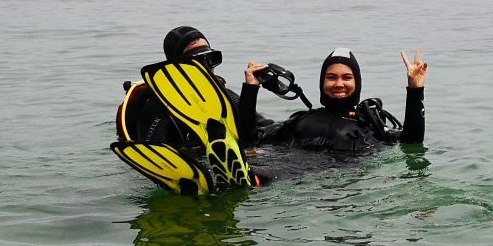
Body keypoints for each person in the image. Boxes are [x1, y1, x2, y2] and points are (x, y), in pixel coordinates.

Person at [117, 25, 273, 147]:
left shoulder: (224, 95)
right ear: (176, 67)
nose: (206, 67)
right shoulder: (159, 108)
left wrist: (250, 89)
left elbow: (253, 133)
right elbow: (160, 157)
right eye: (197, 62)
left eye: (210, 58)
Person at [248, 47, 427, 152]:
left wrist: (415, 89)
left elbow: (412, 140)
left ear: (357, 82)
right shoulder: (301, 121)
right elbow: (251, 137)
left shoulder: (370, 127)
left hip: (338, 185)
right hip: (289, 173)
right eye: (332, 77)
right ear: (322, 82)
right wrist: (251, 88)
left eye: (347, 77)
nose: (339, 83)